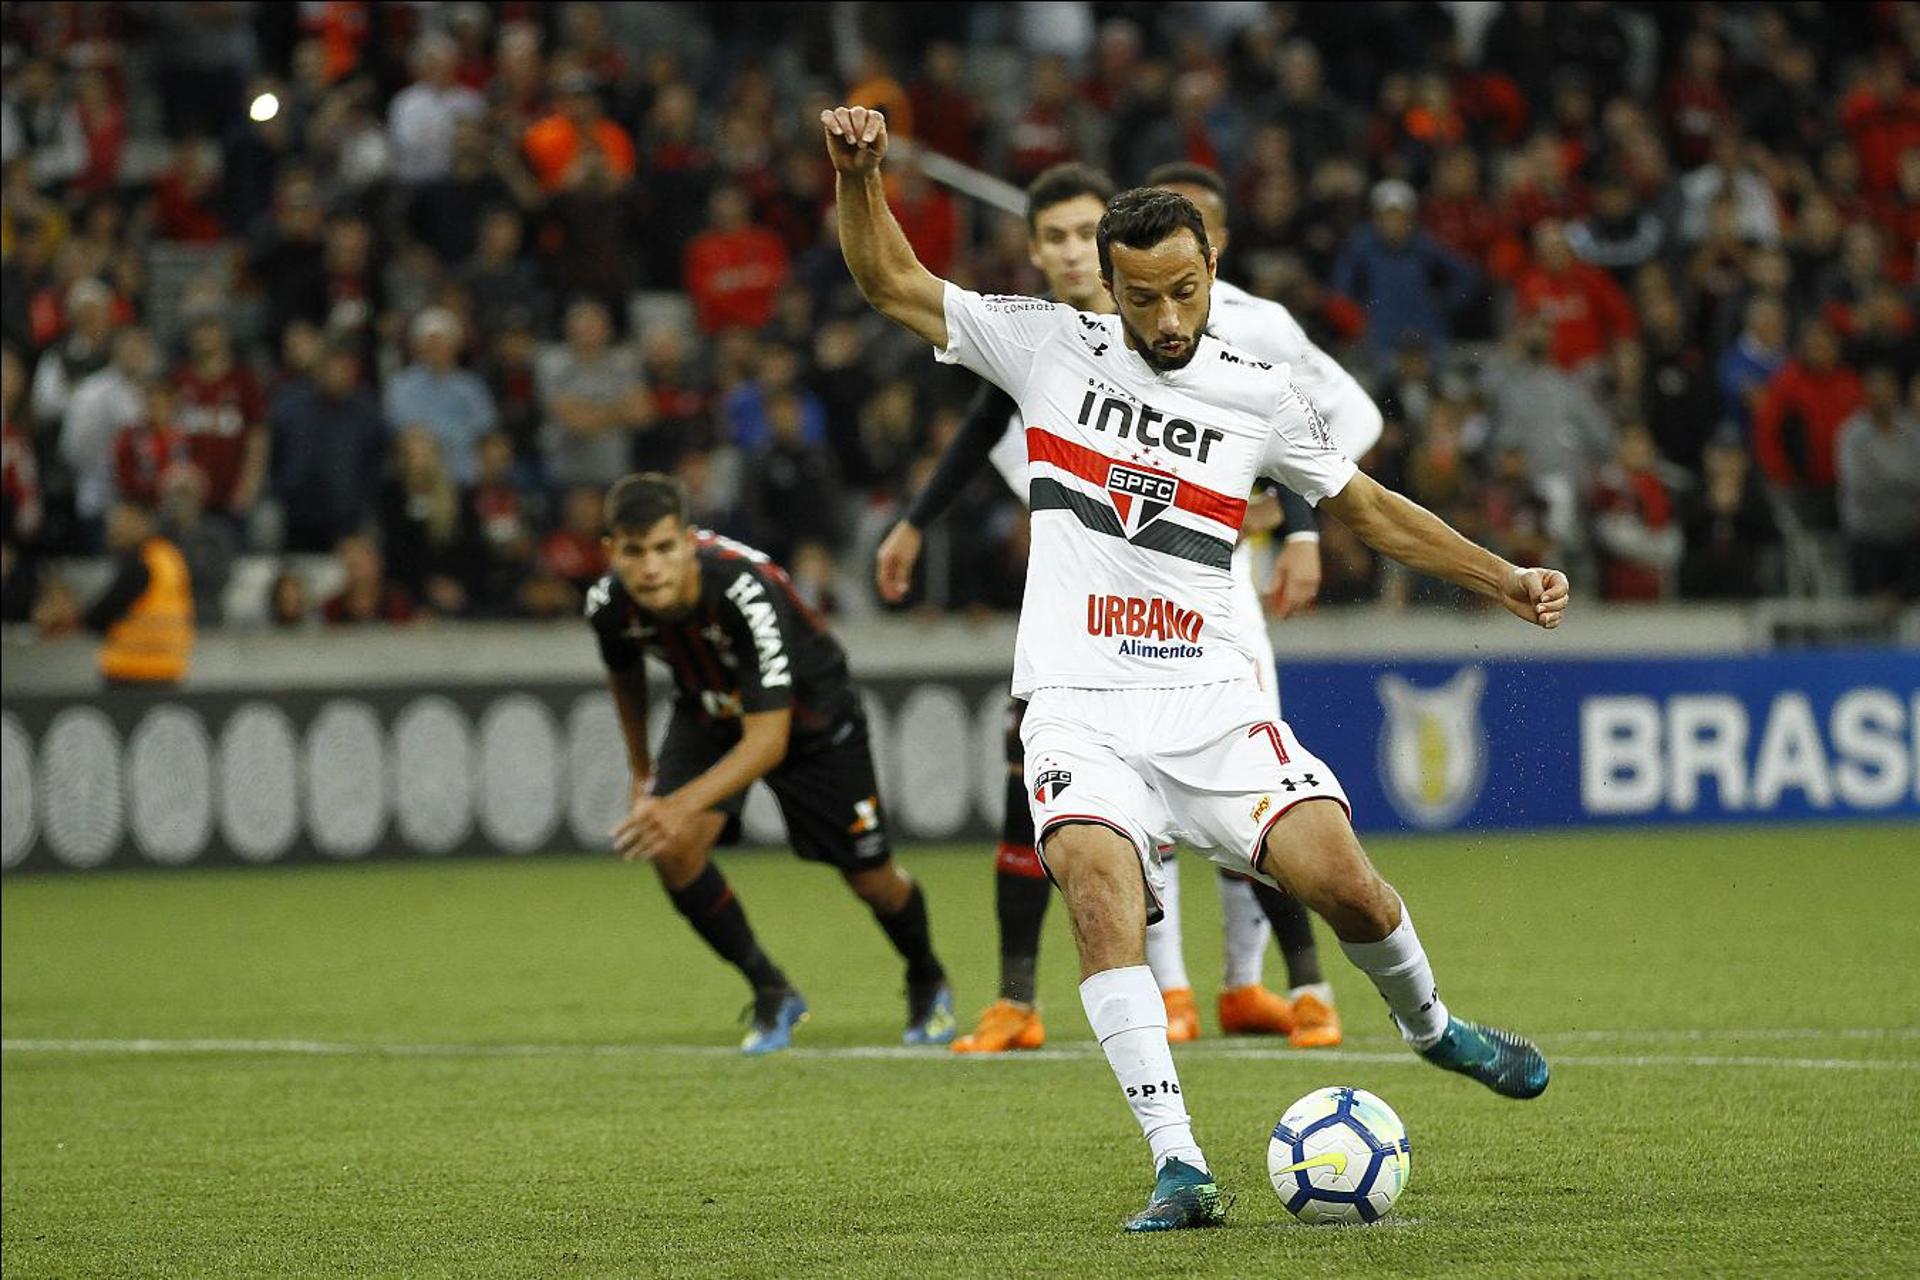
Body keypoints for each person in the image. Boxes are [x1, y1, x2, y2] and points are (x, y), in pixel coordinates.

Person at [827, 105, 1562, 1232]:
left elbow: (1368, 508)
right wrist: (860, 177)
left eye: (1185, 289)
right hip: (1077, 703)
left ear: (1214, 265)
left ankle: (1434, 1029)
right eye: (1142, 296)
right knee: (1099, 890)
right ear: (1108, 288)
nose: (1167, 316)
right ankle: (1179, 1162)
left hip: (1210, 701)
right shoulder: (1044, 345)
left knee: (1348, 884)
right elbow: (891, 281)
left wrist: (1501, 576)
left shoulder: (1258, 392)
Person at [589, 472, 955, 1055]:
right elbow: (625, 675)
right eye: (634, 552)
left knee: (872, 880)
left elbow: (769, 740)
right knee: (672, 846)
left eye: (663, 548)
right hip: (710, 712)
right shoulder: (608, 603)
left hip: (812, 724)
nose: (651, 567)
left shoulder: (742, 588)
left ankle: (927, 976)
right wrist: (643, 775)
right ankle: (771, 989)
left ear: (689, 541)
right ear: (612, 552)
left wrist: (674, 802)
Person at [34, 501, 193, 686]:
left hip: (130, 670)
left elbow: (102, 615)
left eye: (122, 521)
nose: (114, 529)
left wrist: (68, 620)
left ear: (143, 522)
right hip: (169, 667)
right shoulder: (169, 557)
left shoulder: (142, 563)